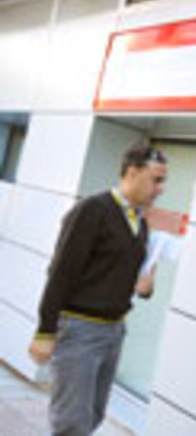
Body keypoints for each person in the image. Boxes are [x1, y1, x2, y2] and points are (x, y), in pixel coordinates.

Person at [28, 143, 167, 436]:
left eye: (163, 181)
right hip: (79, 330)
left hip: (114, 331)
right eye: (156, 180)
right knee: (72, 423)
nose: (161, 189)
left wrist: (145, 288)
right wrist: (45, 331)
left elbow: (129, 279)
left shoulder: (140, 223)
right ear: (132, 172)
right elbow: (60, 274)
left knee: (93, 415)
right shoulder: (92, 210)